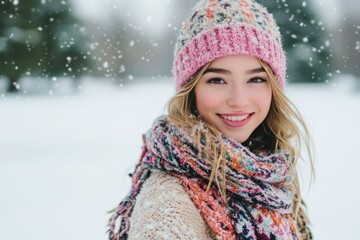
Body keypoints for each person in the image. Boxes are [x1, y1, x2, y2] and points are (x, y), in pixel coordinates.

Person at [108, 0, 314, 239]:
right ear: (190, 89)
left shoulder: (272, 171)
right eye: (217, 80)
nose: (239, 100)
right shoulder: (169, 203)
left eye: (256, 79)